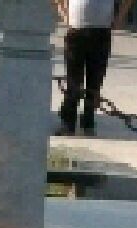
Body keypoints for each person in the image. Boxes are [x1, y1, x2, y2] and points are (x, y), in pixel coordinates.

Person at [54, 0, 117, 136]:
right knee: (73, 81)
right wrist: (65, 15)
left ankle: (88, 123)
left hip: (102, 32)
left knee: (95, 81)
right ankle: (68, 123)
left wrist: (119, 18)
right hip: (76, 31)